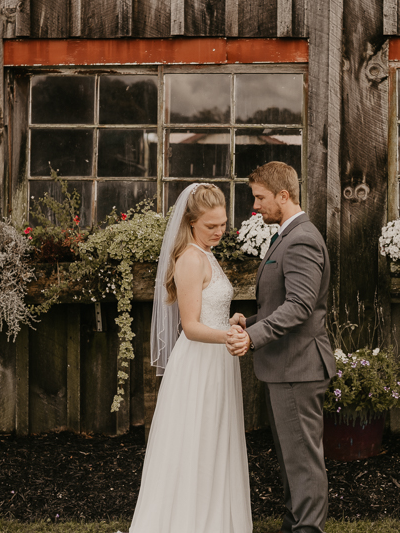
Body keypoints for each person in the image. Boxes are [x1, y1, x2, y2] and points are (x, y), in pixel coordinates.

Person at [129, 183, 252, 533]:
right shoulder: (189, 258)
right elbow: (191, 326)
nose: (218, 232)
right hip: (199, 363)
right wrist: (227, 336)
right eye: (210, 226)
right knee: (194, 444)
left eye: (223, 224)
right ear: (190, 221)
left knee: (216, 442)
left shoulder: (208, 254)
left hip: (218, 360)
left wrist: (233, 321)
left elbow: (211, 312)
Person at [227, 161, 336, 533]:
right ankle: (295, 525)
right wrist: (251, 322)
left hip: (298, 367)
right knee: (293, 458)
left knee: (302, 460)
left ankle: (307, 529)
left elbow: (301, 306)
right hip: (287, 366)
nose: (255, 206)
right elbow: (281, 305)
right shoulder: (286, 235)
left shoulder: (302, 238)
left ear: (284, 196)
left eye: (260, 198)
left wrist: (252, 338)